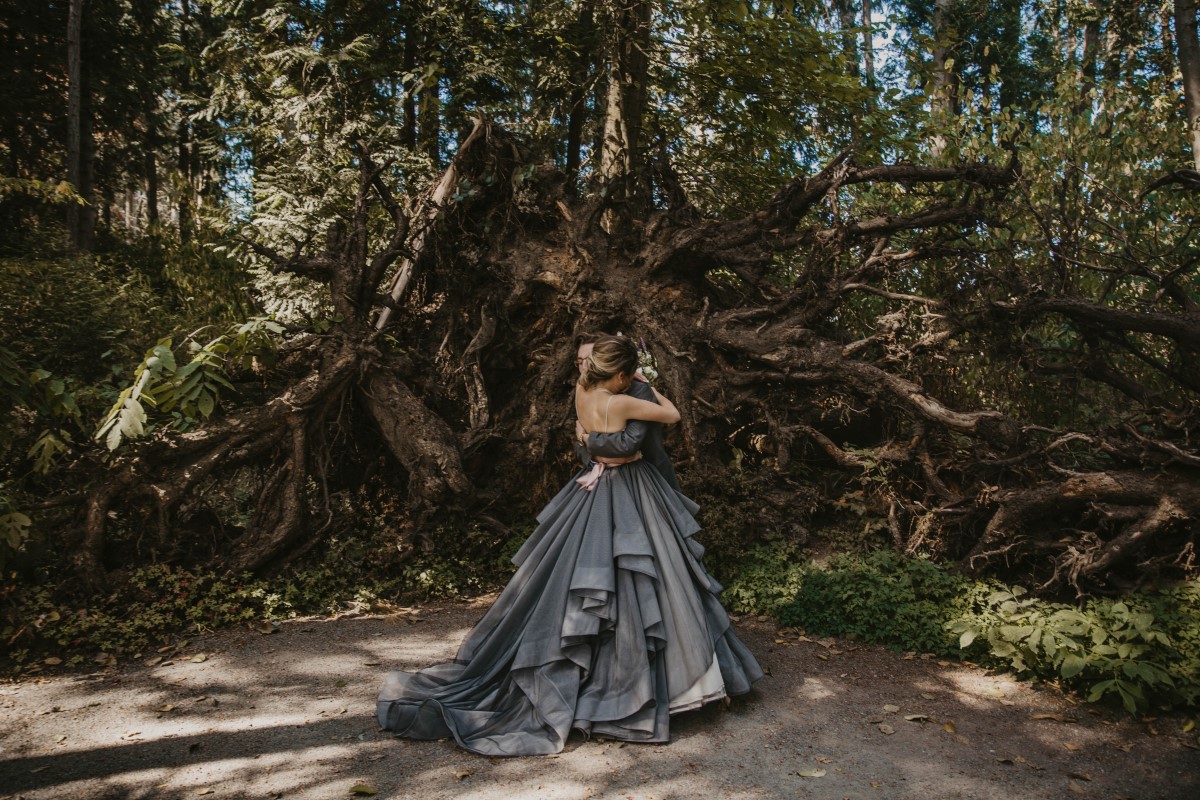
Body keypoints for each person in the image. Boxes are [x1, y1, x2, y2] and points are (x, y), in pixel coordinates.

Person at [376, 334, 762, 756]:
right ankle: (646, 685)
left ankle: (595, 671)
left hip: (594, 487)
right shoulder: (623, 401)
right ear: (622, 373)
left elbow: (591, 438)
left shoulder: (581, 391)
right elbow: (670, 415)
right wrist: (646, 387)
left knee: (588, 575)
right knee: (645, 571)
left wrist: (591, 441)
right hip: (628, 487)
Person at [574, 335, 681, 493]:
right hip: (629, 479)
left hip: (597, 480)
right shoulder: (620, 403)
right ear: (621, 376)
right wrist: (652, 389)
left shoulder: (580, 388)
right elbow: (673, 415)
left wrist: (582, 437)